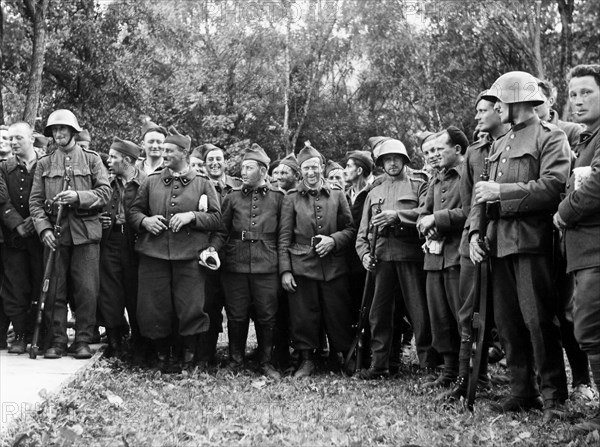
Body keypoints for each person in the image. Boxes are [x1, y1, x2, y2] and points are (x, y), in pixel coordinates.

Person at [471, 71, 570, 420]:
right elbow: (481, 196)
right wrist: (475, 234)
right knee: (509, 322)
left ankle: (555, 396)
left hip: (531, 240)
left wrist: (504, 193)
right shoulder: (498, 143)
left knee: (538, 319)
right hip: (498, 242)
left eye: (500, 102)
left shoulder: (551, 137)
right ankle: (522, 391)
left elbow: (555, 186)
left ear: (517, 101)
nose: (496, 108)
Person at [128, 129, 221, 371]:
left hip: (190, 256)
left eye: (170, 151)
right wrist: (145, 222)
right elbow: (134, 212)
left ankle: (188, 356)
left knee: (190, 307)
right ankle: (162, 356)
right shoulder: (151, 181)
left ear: (184, 153)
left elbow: (216, 219)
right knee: (154, 306)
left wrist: (192, 216)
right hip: (153, 255)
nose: (163, 153)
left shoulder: (203, 183)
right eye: (163, 150)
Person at [442, 91, 509, 402]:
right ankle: (470, 378)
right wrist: (472, 237)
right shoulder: (474, 152)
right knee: (468, 312)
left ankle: (525, 383)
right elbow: (470, 204)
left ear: (502, 109)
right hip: (476, 241)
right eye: (477, 110)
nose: (478, 116)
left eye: (484, 110)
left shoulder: (521, 141)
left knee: (513, 314)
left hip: (510, 239)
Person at [29, 109, 111, 359]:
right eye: (54, 130)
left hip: (85, 234)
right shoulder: (44, 163)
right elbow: (35, 202)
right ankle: (57, 340)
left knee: (86, 289)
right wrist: (43, 229)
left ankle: (83, 340)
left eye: (63, 129)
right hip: (56, 233)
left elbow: (105, 193)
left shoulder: (92, 159)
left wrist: (79, 197)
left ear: (74, 131)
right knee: (55, 289)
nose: (59, 133)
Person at [356, 138, 437, 379]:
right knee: (378, 313)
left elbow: (426, 213)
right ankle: (380, 365)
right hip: (381, 258)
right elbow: (362, 233)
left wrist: (398, 216)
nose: (392, 163)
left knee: (419, 312)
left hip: (410, 256)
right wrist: (364, 254)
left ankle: (428, 365)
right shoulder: (375, 191)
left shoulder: (419, 184)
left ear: (404, 160)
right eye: (387, 160)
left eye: (396, 158)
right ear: (380, 164)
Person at [279, 144, 356, 378]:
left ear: (321, 167)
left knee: (338, 312)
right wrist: (285, 271)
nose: (311, 173)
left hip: (333, 266)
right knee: (304, 314)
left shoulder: (337, 193)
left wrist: (333, 240)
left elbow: (351, 229)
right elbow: (283, 237)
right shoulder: (291, 198)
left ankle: (343, 356)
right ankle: (307, 359)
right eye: (306, 169)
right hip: (302, 266)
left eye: (315, 167)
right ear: (300, 172)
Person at [553, 64, 600, 434]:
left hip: (596, 250)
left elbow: (596, 187)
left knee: (590, 329)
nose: (579, 100)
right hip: (584, 253)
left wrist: (563, 213)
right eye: (574, 94)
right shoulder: (586, 139)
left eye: (587, 91)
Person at [209, 144, 284, 379]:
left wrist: (283, 268)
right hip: (235, 264)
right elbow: (222, 231)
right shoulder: (231, 198)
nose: (243, 172)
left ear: (263, 171)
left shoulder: (279, 198)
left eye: (249, 167)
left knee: (267, 315)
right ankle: (235, 360)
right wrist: (213, 249)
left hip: (267, 264)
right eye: (242, 167)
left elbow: (284, 235)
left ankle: (266, 362)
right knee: (236, 314)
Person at [417, 126, 468, 388]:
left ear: (457, 150)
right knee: (439, 317)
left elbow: (471, 212)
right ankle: (449, 372)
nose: (434, 155)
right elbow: (422, 212)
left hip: (458, 256)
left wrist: (437, 219)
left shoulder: (467, 175)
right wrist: (425, 223)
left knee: (463, 318)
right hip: (434, 258)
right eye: (432, 150)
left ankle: (473, 375)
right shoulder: (436, 179)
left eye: (439, 149)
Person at [98, 137, 146, 358]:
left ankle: (139, 343)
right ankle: (114, 342)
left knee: (136, 293)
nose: (109, 160)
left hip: (137, 245)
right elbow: (95, 208)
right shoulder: (105, 183)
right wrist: (102, 219)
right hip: (111, 243)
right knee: (110, 293)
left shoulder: (147, 183)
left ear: (127, 160)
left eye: (114, 157)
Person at [0, 122, 44, 354]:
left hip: (41, 237)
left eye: (18, 138)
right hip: (15, 239)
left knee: (41, 285)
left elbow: (52, 193)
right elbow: (3, 199)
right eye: (11, 139)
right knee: (15, 288)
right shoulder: (4, 168)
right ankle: (18, 335)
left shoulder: (46, 164)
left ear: (32, 138)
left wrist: (37, 222)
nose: (13, 143)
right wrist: (17, 224)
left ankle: (39, 335)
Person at [200, 143, 242, 363]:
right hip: (208, 254)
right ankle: (208, 353)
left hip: (235, 254)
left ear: (225, 162)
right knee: (209, 305)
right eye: (210, 161)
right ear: (205, 165)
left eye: (219, 159)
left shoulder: (238, 185)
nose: (215, 164)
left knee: (235, 306)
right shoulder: (200, 185)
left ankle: (236, 354)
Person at [535, 79, 583, 148]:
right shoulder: (520, 133)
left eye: (537, 98)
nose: (532, 104)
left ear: (550, 101)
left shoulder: (572, 131)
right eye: (528, 100)